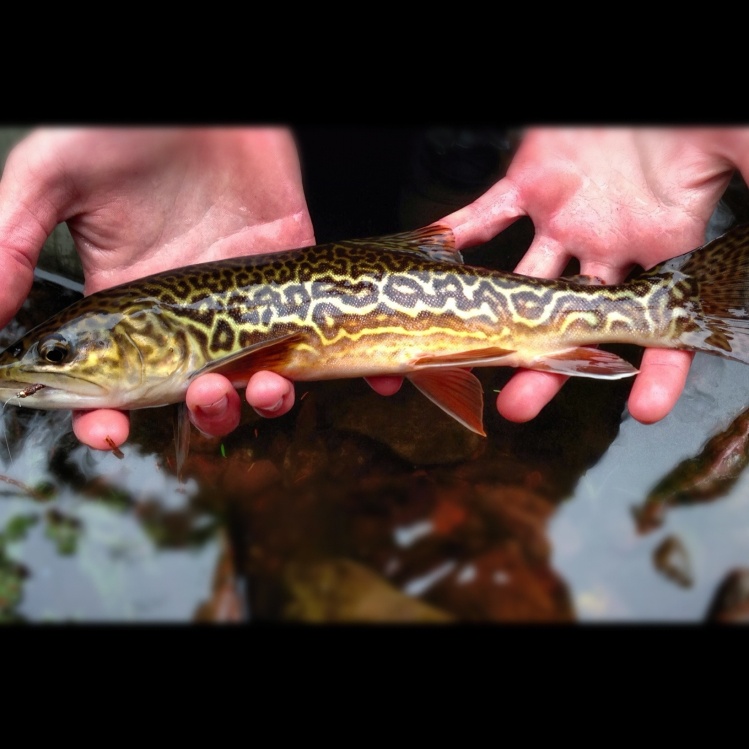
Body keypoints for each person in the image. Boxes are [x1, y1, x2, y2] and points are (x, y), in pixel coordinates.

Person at [0, 126, 744, 450]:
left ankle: (672, 310)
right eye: (58, 354)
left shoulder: (214, 347)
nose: (35, 372)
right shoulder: (177, 326)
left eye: (59, 354)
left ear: (152, 339)